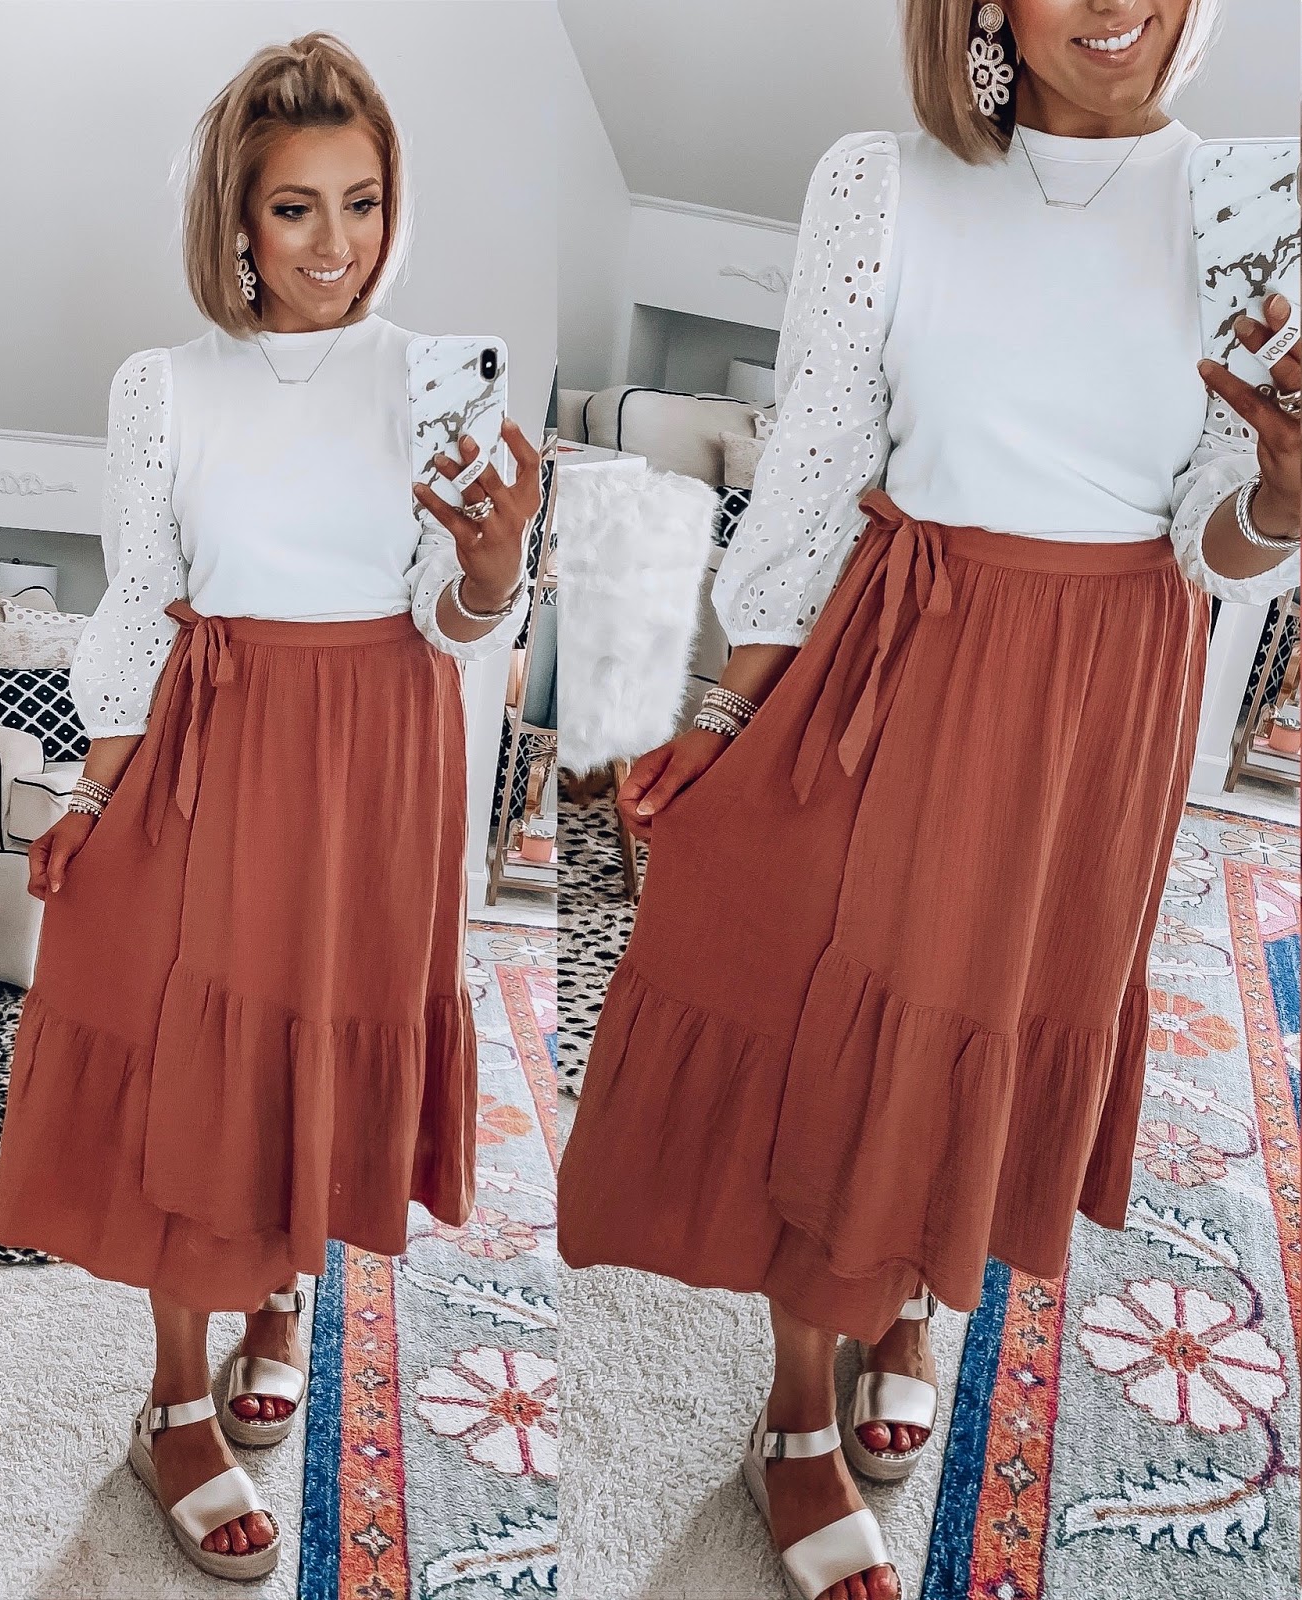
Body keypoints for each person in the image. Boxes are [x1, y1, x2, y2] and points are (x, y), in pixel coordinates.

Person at [556, 3, 1299, 1597]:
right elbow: (816, 467)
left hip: (1103, 689)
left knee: (992, 1004)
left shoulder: (1258, 207)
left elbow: (1211, 537)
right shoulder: (877, 184)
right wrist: (722, 709)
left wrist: (1287, 497)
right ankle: (791, 1418)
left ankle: (904, 1301)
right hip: (893, 649)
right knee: (825, 1009)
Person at [0, 31, 541, 1582]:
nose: (332, 244)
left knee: (319, 1027)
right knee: (191, 1055)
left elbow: (453, 621)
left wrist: (497, 564)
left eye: (361, 203)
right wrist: (88, 790)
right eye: (295, 207)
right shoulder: (164, 388)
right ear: (238, 216)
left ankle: (282, 1288)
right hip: (211, 746)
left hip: (379, 755)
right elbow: (140, 602)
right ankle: (175, 1404)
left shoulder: (435, 379)